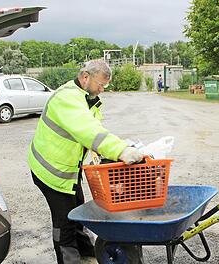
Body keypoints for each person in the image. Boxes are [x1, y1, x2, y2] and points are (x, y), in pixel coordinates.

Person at [27, 59, 144, 264]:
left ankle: (88, 252)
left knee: (77, 210)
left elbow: (93, 133)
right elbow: (90, 132)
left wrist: (117, 147)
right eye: (100, 84)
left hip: (67, 170)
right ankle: (69, 259)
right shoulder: (67, 98)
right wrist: (120, 151)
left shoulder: (86, 98)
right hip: (50, 172)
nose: (102, 89)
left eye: (105, 86)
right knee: (64, 223)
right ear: (85, 77)